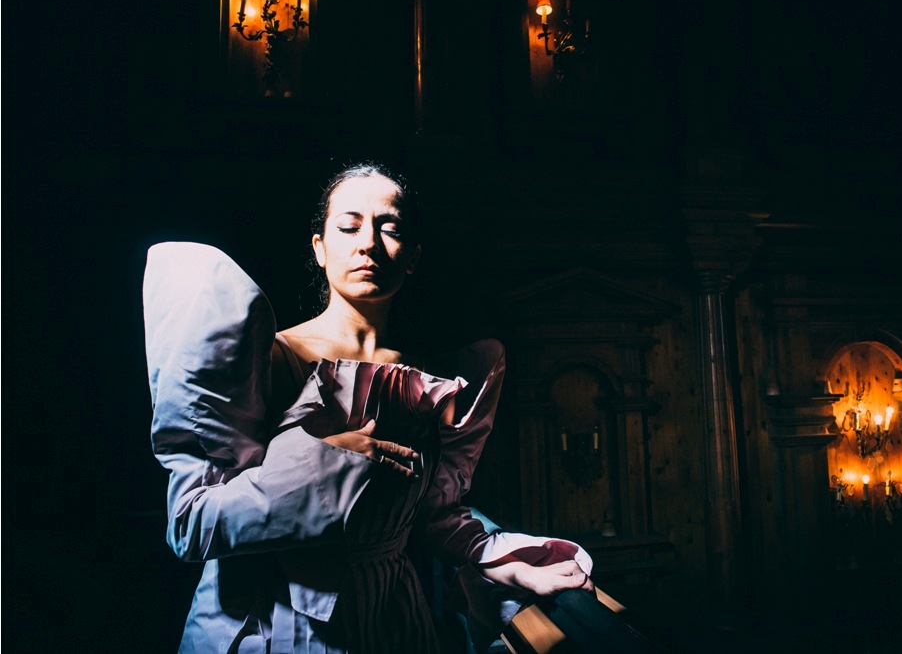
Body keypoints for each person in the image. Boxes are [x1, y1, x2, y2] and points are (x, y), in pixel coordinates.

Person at [144, 162, 594, 654]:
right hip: (276, 622)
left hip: (395, 621)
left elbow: (433, 515)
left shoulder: (430, 380)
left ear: (413, 256)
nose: (369, 244)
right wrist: (324, 464)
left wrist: (511, 565)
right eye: (349, 226)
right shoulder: (272, 361)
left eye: (390, 228)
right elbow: (192, 524)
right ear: (319, 248)